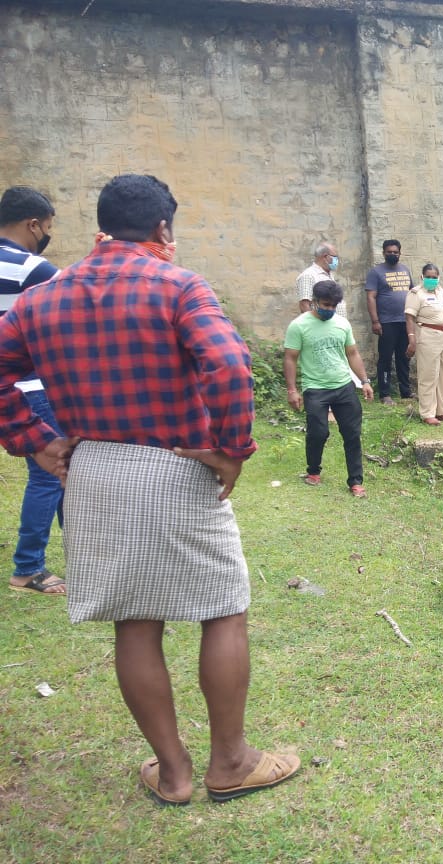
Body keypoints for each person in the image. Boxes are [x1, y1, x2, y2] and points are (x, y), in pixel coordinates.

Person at [0, 174, 300, 806]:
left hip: (95, 470)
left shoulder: (41, 300)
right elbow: (228, 363)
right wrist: (232, 448)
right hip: (177, 467)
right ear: (164, 228)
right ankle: (232, 762)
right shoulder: (179, 285)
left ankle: (174, 774)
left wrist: (34, 438)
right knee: (222, 606)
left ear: (99, 226)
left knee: (134, 625)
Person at [0, 186, 66, 596]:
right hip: (25, 386)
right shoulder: (33, 268)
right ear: (34, 224)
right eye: (49, 227)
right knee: (50, 475)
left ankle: (81, 550)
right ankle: (28, 568)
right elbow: (75, 303)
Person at [284, 279, 374, 496]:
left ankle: (355, 481)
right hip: (315, 388)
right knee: (318, 432)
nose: (330, 310)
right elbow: (290, 358)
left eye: (333, 306)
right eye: (326, 305)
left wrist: (365, 381)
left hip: (344, 386)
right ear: (314, 302)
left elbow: (352, 354)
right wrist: (292, 390)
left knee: (352, 434)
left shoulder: (342, 324)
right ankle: (313, 471)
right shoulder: (299, 326)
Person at [405, 262, 443, 426]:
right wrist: (411, 339)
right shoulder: (416, 294)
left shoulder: (441, 291)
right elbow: (409, 318)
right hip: (429, 336)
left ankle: (441, 411)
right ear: (422, 277)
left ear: (438, 278)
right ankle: (427, 413)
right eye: (428, 277)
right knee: (428, 375)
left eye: (434, 277)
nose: (431, 280)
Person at [365, 239, 414, 405]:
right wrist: (375, 321)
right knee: (385, 359)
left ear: (400, 253)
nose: (392, 254)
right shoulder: (376, 272)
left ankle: (406, 392)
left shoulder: (405, 270)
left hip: (405, 321)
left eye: (395, 252)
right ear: (383, 253)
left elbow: (412, 294)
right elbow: (371, 297)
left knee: (404, 357)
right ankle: (385, 394)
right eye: (389, 252)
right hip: (386, 322)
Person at [296, 241, 345, 316]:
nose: (337, 260)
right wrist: (315, 326)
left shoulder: (328, 275)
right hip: (323, 325)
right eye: (335, 257)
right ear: (325, 257)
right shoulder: (309, 275)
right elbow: (304, 305)